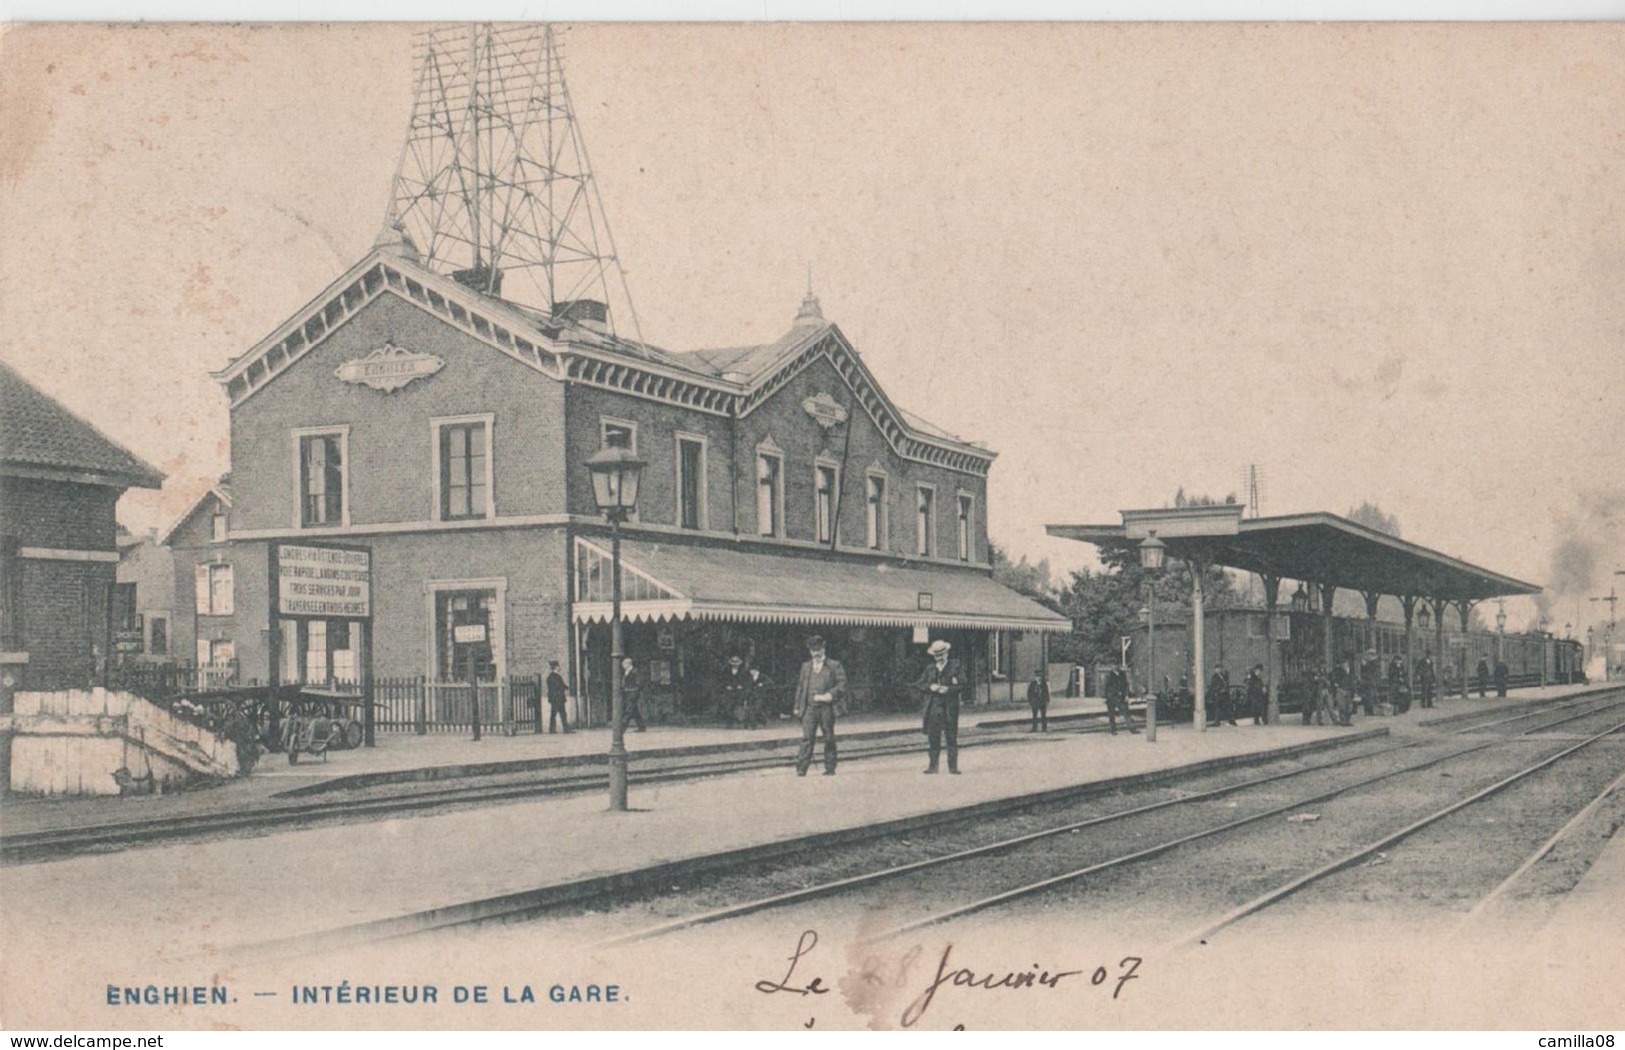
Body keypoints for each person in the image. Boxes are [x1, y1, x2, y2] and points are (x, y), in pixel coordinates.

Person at [794, 636, 846, 776]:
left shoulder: (834, 665)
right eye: (812, 651)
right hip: (809, 708)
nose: (815, 654)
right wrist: (797, 706)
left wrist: (830, 695)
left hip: (826, 708)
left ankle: (830, 768)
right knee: (807, 738)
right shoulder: (806, 666)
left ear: (824, 649)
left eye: (818, 650)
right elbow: (800, 687)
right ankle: (801, 769)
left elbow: (842, 685)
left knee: (828, 737)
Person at [916, 639, 967, 772]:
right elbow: (920, 684)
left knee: (951, 738)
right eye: (936, 656)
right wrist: (930, 686)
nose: (939, 658)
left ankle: (953, 768)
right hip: (934, 708)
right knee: (933, 738)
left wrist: (949, 689)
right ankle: (933, 767)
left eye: (941, 655)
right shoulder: (930, 668)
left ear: (947, 654)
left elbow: (963, 684)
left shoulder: (956, 667)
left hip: (950, 707)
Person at [1104, 665, 1137, 734]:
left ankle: (1132, 728)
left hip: (1121, 697)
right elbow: (1107, 687)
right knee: (1111, 714)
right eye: (1114, 665)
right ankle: (1113, 730)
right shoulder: (1109, 675)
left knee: (1126, 712)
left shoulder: (1122, 674)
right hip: (1112, 697)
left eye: (1117, 664)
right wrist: (1107, 697)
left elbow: (1126, 685)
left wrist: (1126, 695)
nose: (1116, 666)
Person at [720, 654, 752, 726]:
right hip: (729, 691)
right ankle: (730, 722)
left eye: (736, 664)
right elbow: (723, 680)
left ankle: (743, 722)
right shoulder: (726, 671)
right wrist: (727, 686)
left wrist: (742, 686)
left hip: (740, 691)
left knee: (740, 705)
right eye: (733, 664)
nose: (735, 665)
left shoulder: (744, 671)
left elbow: (748, 681)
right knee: (728, 705)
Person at [618, 657, 646, 733]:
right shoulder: (626, 672)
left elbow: (639, 683)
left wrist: (633, 690)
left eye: (624, 664)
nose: (622, 666)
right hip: (628, 693)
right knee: (635, 710)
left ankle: (622, 728)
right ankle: (642, 726)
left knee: (629, 710)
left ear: (628, 664)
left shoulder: (635, 671)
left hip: (633, 694)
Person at [545, 660, 571, 734]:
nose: (559, 667)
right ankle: (564, 729)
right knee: (561, 714)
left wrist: (565, 687)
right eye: (558, 666)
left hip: (555, 698)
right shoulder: (554, 677)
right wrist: (565, 687)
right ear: (555, 667)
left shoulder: (552, 677)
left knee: (556, 714)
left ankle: (553, 729)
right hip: (557, 698)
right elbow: (558, 686)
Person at [1026, 667, 1051, 733]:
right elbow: (1029, 693)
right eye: (1037, 676)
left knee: (1043, 716)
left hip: (1042, 702)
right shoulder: (1033, 684)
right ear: (1035, 677)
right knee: (1035, 716)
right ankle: (1034, 728)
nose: (1039, 678)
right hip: (1035, 702)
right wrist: (1031, 701)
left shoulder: (1043, 684)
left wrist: (1047, 700)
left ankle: (1044, 728)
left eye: (1040, 676)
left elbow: (1046, 692)